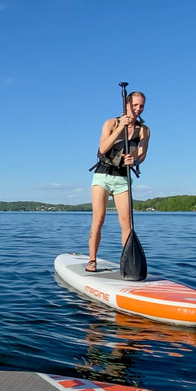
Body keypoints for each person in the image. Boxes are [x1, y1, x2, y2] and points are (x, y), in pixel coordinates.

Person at [86, 91, 150, 273]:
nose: (138, 109)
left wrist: (135, 160)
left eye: (142, 106)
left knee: (127, 222)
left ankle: (128, 263)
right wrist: (120, 129)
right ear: (127, 104)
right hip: (103, 176)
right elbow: (101, 150)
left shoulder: (144, 130)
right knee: (99, 218)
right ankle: (92, 260)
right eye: (135, 105)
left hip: (123, 178)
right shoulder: (111, 123)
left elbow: (142, 154)